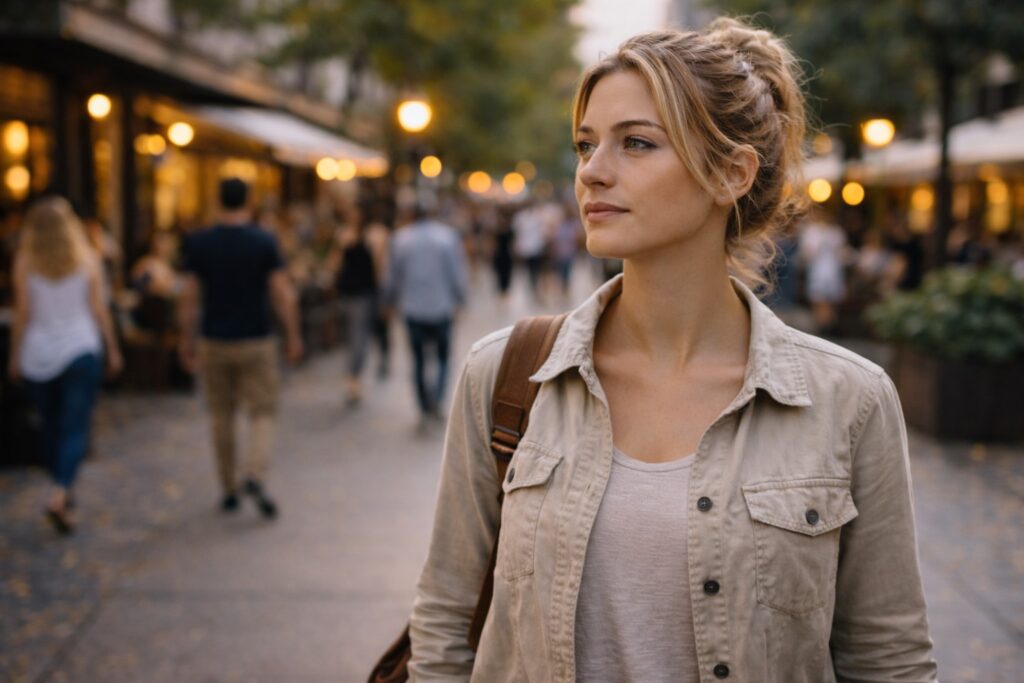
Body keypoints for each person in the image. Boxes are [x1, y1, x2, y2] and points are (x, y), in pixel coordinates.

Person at [408, 18, 937, 681]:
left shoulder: (848, 401)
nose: (592, 173)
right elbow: (443, 623)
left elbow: (890, 660)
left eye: (635, 143)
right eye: (584, 144)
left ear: (731, 173)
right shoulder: (508, 375)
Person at [177, 178, 303, 519]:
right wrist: (293, 335)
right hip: (256, 339)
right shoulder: (263, 241)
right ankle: (254, 473)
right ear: (248, 201)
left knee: (221, 414)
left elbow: (189, 297)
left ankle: (228, 487)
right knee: (262, 411)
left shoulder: (200, 242)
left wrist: (186, 339)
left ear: (219, 201)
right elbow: (282, 293)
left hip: (214, 340)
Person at [6, 196, 123, 534]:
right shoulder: (86, 258)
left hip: (39, 353)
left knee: (51, 426)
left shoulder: (25, 261)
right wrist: (111, 347)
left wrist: (15, 355)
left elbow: (22, 314)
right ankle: (62, 490)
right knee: (74, 426)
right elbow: (99, 308)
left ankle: (60, 488)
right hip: (80, 348)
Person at [386, 202, 468, 431]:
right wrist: (461, 299)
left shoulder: (401, 239)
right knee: (442, 358)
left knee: (419, 360)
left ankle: (424, 406)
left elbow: (392, 276)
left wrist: (389, 301)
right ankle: (437, 400)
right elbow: (457, 271)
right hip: (441, 307)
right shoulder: (447, 237)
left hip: (413, 309)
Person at [331, 205, 378, 404]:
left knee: (358, 336)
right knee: (353, 336)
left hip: (364, 293)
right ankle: (352, 377)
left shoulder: (374, 235)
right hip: (348, 291)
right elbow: (336, 263)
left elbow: (379, 265)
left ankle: (353, 377)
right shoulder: (342, 234)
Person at [798, 207, 848, 335]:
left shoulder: (836, 232)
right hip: (817, 272)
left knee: (830, 301)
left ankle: (829, 328)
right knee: (819, 300)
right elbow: (807, 254)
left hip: (832, 272)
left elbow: (842, 253)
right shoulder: (811, 232)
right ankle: (823, 329)